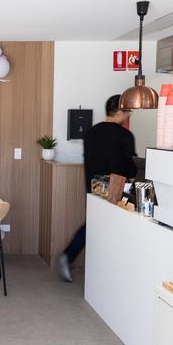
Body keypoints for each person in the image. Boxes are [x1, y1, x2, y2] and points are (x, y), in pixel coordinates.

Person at [57, 94, 138, 282]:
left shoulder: (91, 132)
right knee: (109, 229)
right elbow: (129, 167)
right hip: (117, 190)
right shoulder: (125, 135)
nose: (128, 116)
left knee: (95, 225)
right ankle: (104, 272)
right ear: (120, 111)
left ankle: (72, 258)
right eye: (128, 112)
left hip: (93, 188)